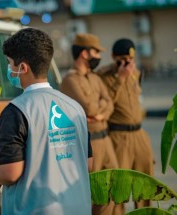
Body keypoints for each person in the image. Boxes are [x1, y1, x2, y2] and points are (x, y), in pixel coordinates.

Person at [0, 28, 92, 215]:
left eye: (10, 64)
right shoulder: (74, 107)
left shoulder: (15, 112)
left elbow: (11, 173)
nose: (9, 69)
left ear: (23, 68)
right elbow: (88, 164)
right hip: (79, 208)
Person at [60, 33, 120, 215]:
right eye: (96, 52)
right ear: (84, 54)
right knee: (93, 192)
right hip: (90, 143)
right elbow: (89, 108)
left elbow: (109, 103)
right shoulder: (70, 80)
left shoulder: (95, 77)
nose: (99, 57)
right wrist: (98, 110)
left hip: (105, 140)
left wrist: (100, 113)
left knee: (113, 188)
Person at [97, 38, 154, 211]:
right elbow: (106, 104)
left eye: (130, 59)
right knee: (119, 187)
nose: (126, 63)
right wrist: (120, 79)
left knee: (146, 182)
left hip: (139, 133)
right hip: (119, 136)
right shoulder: (104, 76)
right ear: (113, 57)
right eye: (122, 59)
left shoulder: (135, 72)